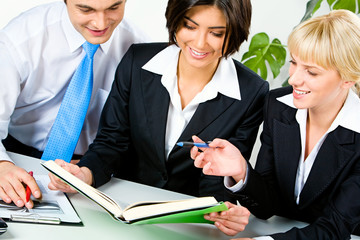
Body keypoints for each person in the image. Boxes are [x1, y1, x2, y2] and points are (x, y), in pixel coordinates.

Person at [48, 0, 268, 211]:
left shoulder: (250, 91)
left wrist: (217, 211)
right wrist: (85, 174)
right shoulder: (137, 61)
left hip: (188, 219)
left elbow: (220, 173)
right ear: (175, 20)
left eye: (216, 33)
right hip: (122, 204)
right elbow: (112, 142)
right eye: (189, 26)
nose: (200, 43)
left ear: (237, 32)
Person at [191, 9, 360, 239]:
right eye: (294, 63)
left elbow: (336, 228)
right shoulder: (278, 105)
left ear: (348, 79)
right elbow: (267, 207)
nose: (293, 79)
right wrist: (241, 171)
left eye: (311, 72)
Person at [0, 0, 148, 209]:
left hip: (93, 170)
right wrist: (1, 165)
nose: (100, 23)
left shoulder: (138, 48)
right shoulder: (21, 39)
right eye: (86, 10)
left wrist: (92, 168)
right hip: (18, 157)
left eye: (113, 8)